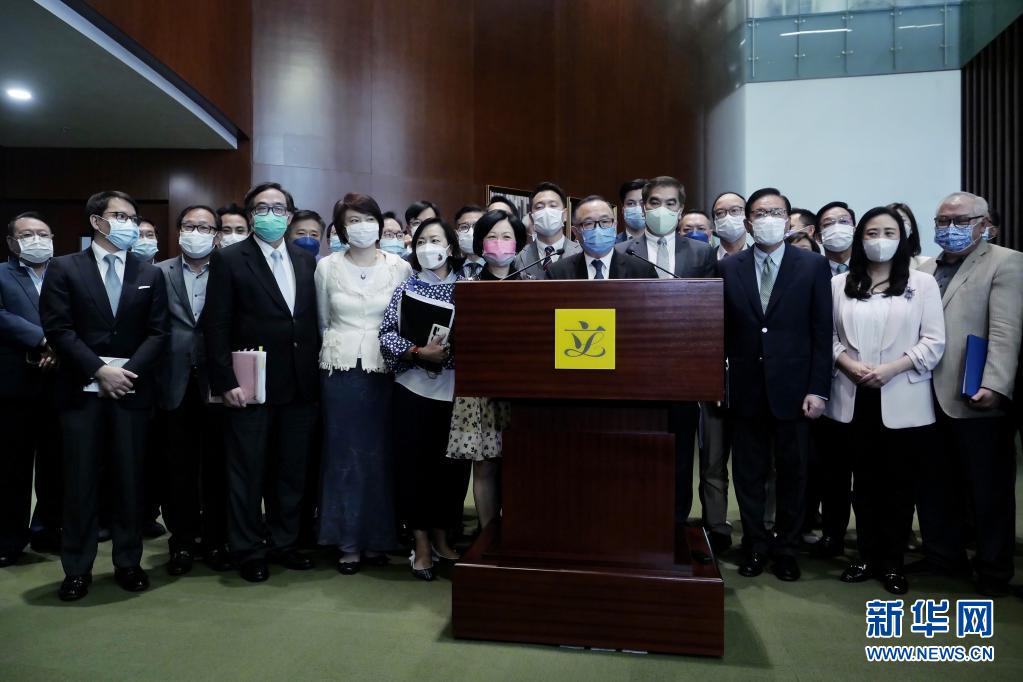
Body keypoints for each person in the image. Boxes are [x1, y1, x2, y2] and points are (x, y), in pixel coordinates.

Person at [39, 190, 169, 601]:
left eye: (132, 217)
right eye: (120, 216)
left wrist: (125, 375)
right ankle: (77, 569)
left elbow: (159, 332)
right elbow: (58, 329)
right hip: (80, 392)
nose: (129, 224)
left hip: (130, 392)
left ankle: (128, 562)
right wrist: (98, 370)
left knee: (129, 481)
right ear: (97, 221)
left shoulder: (149, 272)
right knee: (79, 482)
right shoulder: (64, 268)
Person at [203, 182, 320, 583]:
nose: (271, 214)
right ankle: (248, 550)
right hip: (250, 385)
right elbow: (216, 325)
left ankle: (284, 543)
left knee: (291, 472)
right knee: (247, 473)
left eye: (279, 208)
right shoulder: (230, 259)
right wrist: (225, 381)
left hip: (300, 386)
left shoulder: (305, 260)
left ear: (290, 215)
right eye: (262, 208)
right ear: (251, 215)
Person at [828, 206, 945, 595]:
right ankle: (866, 555)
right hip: (853, 395)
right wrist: (848, 364)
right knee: (862, 484)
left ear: (903, 238)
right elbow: (828, 337)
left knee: (899, 484)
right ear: (860, 239)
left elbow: (934, 341)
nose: (880, 240)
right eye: (872, 233)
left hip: (902, 395)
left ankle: (892, 562)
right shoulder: (840, 283)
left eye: (889, 233)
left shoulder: (922, 283)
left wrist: (892, 368)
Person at [718, 187, 832, 582]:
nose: (769, 219)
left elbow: (822, 332)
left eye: (776, 213)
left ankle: (786, 547)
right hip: (745, 389)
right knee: (748, 473)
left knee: (793, 473)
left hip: (796, 390)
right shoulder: (729, 267)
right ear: (748, 223)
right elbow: (721, 332)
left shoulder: (812, 265)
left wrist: (818, 389)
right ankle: (755, 544)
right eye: (760, 213)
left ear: (788, 221)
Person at [916, 192, 1023, 596]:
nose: (950, 228)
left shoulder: (1006, 262)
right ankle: (943, 556)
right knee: (934, 481)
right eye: (942, 221)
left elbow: (1006, 330)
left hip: (975, 391)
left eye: (961, 220)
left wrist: (995, 383)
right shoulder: (925, 268)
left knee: (987, 486)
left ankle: (993, 568)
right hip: (926, 394)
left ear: (985, 224)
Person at [316, 193, 412, 574]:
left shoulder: (399, 267)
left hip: (386, 371)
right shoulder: (326, 267)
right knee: (343, 456)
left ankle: (378, 539)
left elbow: (404, 319)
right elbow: (323, 319)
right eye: (352, 220)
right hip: (339, 371)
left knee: (380, 455)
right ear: (341, 229)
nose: (362, 226)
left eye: (367, 218)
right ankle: (347, 542)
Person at [380, 216, 464, 581]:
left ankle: (443, 536)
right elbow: (386, 335)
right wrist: (417, 351)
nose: (429, 247)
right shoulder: (406, 288)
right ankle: (421, 542)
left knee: (450, 469)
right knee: (415, 468)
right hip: (412, 389)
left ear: (450, 247)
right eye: (421, 241)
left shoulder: (468, 287)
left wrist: (450, 353)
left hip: (455, 391)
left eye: (435, 240)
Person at [155, 204, 233, 575]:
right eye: (189, 226)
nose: (196, 233)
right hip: (174, 381)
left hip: (219, 381)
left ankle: (216, 540)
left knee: (218, 467)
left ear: (216, 234)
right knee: (177, 468)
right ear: (179, 231)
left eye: (204, 227)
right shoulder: (159, 272)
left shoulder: (230, 270)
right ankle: (182, 542)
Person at [446, 209, 526, 535]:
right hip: (480, 390)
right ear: (480, 243)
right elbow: (455, 338)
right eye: (492, 236)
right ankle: (488, 536)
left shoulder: (534, 285)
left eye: (507, 236)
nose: (499, 243)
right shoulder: (467, 288)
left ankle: (519, 534)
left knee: (522, 465)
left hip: (524, 390)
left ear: (519, 243)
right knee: (484, 467)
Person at [0, 212, 62, 566]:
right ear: (11, 242)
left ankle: (47, 531)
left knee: (56, 464)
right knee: (12, 466)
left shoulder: (65, 273)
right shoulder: (1, 274)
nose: (36, 240)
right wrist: (42, 339)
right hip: (14, 386)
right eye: (27, 235)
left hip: (59, 383)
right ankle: (9, 539)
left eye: (43, 233)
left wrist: (60, 346)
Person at [546, 195, 657, 280]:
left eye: (605, 221)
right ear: (575, 232)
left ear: (614, 226)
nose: (598, 229)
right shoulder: (557, 273)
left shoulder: (642, 271)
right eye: (589, 223)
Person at [511, 182, 581, 279]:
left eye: (553, 205)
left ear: (565, 215)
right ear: (532, 217)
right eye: (539, 207)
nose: (547, 211)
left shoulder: (581, 253)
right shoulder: (520, 258)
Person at [887, 202, 932, 270]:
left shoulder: (925, 265)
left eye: (902, 220)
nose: (897, 225)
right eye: (891, 220)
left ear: (912, 228)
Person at [816, 202, 856, 275]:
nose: (837, 228)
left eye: (844, 221)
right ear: (818, 237)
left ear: (854, 231)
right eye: (828, 224)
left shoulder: (870, 268)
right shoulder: (812, 271)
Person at [711, 192, 748, 260]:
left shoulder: (758, 259)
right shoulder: (704, 260)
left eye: (734, 210)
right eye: (720, 213)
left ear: (747, 218)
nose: (728, 217)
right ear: (714, 223)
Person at [454, 204, 486, 279]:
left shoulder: (497, 267)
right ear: (457, 233)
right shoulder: (448, 269)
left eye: (477, 226)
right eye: (464, 227)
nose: (471, 232)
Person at [617, 178, 647, 243]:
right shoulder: (612, 245)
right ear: (623, 209)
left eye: (642, 203)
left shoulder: (662, 243)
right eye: (631, 203)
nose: (638, 208)